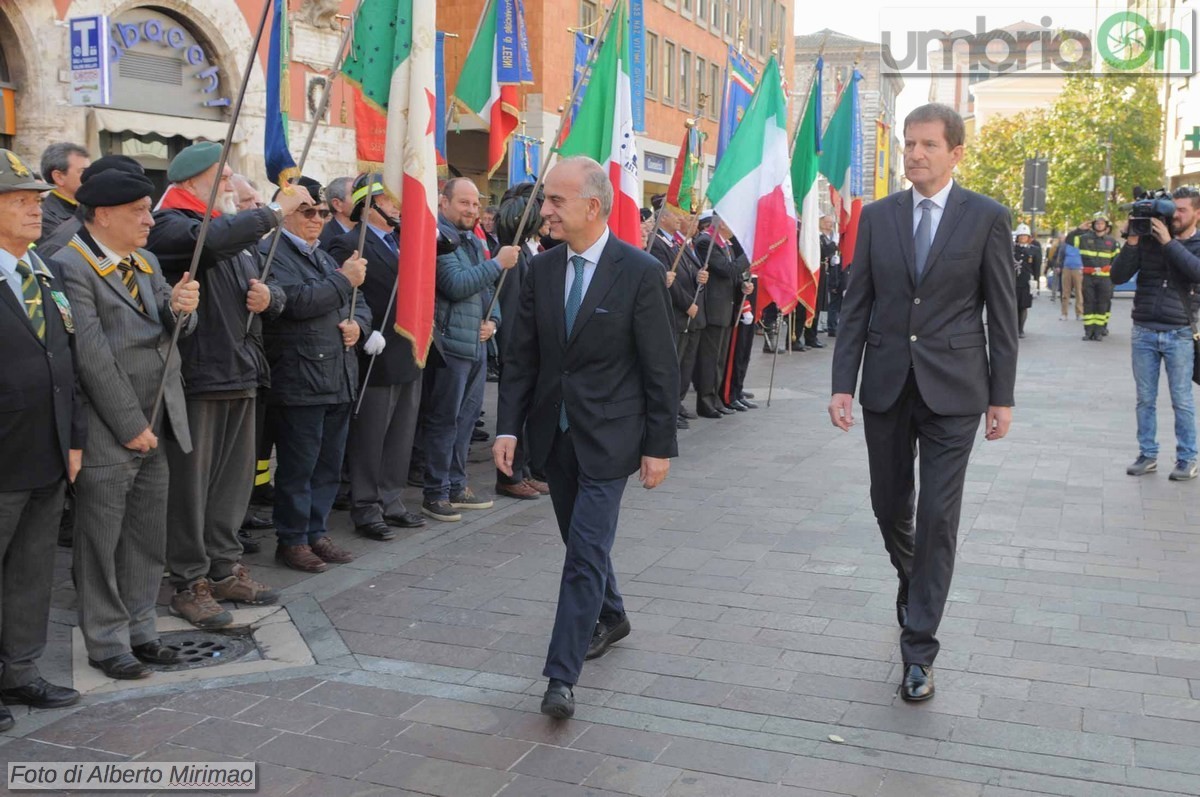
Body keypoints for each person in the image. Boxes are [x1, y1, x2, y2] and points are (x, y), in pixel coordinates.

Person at [828, 104, 1018, 702]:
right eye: (909, 144)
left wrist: (1002, 397)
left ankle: (919, 650)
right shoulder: (879, 217)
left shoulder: (986, 217)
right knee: (890, 508)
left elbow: (1002, 313)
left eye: (928, 145)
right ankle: (915, 582)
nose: (914, 154)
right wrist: (841, 383)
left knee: (938, 517)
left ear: (956, 152)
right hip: (886, 384)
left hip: (956, 390)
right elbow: (856, 305)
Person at [494, 156, 679, 719]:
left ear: (592, 207)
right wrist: (507, 427)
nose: (543, 211)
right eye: (545, 200)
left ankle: (560, 676)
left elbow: (660, 367)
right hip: (555, 437)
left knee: (582, 555)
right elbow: (522, 358)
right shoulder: (541, 271)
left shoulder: (639, 271)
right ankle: (613, 614)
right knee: (583, 543)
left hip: (611, 439)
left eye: (554, 201)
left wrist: (658, 445)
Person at [147, 142, 303, 629]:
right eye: (227, 176)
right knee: (191, 488)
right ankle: (188, 580)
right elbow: (210, 243)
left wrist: (264, 296)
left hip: (240, 371)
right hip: (200, 377)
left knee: (232, 486)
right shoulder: (173, 223)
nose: (236, 186)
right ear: (196, 183)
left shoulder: (224, 227)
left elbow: (252, 278)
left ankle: (221, 566)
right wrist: (278, 211)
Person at [53, 169, 200, 680]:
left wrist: (183, 309)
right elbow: (89, 355)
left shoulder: (146, 259)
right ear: (104, 215)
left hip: (159, 416)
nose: (149, 218)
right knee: (100, 539)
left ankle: (142, 629)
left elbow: (170, 326)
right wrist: (128, 423)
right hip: (109, 426)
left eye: (148, 207)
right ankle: (106, 640)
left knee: (144, 536)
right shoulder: (71, 265)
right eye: (138, 210)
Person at [0, 151, 85, 730]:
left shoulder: (43, 269)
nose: (35, 209)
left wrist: (74, 439)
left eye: (35, 199)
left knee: (32, 572)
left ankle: (20, 671)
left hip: (47, 450)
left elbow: (67, 359)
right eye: (19, 200)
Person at [262, 176, 369, 571]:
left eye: (323, 212)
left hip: (338, 375)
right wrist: (343, 280)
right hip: (300, 376)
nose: (317, 218)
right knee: (298, 467)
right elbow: (297, 302)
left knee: (327, 465)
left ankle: (315, 531)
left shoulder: (322, 256)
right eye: (306, 211)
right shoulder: (271, 252)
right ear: (284, 213)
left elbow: (359, 303)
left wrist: (360, 326)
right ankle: (291, 539)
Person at [330, 174, 428, 538]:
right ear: (368, 205)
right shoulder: (348, 243)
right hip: (375, 350)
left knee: (401, 433)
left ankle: (392, 498)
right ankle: (366, 505)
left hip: (408, 348)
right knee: (371, 435)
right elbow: (347, 293)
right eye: (389, 201)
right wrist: (364, 327)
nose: (397, 207)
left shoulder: (404, 240)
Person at [420, 178, 516, 521]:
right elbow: (456, 285)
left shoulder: (472, 241)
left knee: (463, 423)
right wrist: (498, 263)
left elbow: (489, 291)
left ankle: (458, 486)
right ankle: (435, 492)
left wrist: (495, 322)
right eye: (464, 203)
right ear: (443, 202)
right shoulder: (440, 239)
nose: (472, 210)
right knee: (444, 421)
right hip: (449, 347)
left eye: (476, 204)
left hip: (476, 346)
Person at [1113, 186, 1200, 482]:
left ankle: (1187, 458)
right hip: (1144, 330)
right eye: (1172, 209)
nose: (1174, 215)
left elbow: (1196, 272)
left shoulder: (1195, 243)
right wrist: (1133, 240)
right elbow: (1118, 276)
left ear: (1197, 214)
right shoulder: (1147, 240)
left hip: (1179, 332)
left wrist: (1168, 243)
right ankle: (1147, 454)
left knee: (1182, 400)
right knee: (1144, 398)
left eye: (1182, 210)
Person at [492, 182, 549, 500]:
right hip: (516, 348)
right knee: (513, 415)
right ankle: (508, 476)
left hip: (529, 347)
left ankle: (523, 470)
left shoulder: (529, 252)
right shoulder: (515, 255)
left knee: (527, 415)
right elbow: (514, 307)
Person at [692, 217, 740, 418]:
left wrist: (743, 285)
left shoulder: (724, 244)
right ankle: (705, 401)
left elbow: (733, 275)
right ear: (721, 223)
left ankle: (716, 398)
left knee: (720, 359)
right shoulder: (707, 242)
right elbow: (726, 269)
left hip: (725, 308)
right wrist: (749, 256)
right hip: (713, 309)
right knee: (708, 360)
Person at [1068, 214, 1120, 340]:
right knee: (1088, 303)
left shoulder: (1112, 242)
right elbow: (1069, 240)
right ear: (1093, 225)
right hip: (1088, 276)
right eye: (1097, 223)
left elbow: (1117, 260)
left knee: (1102, 304)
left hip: (1105, 278)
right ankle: (1088, 331)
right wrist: (1079, 229)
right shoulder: (1083, 238)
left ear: (1106, 226)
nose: (1099, 225)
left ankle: (1098, 331)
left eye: (1102, 223)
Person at [37, 142, 90, 244]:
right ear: (59, 177)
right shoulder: (45, 219)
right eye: (83, 171)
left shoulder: (89, 207)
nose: (91, 176)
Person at [1013, 223, 1042, 339]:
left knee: (1023, 306)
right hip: (1013, 281)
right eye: (1020, 236)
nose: (1022, 238)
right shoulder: (1012, 248)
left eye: (1025, 236)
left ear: (1029, 237)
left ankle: (1021, 329)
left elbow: (1037, 268)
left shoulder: (1035, 250)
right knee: (1013, 306)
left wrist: (1036, 283)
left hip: (1026, 282)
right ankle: (1014, 328)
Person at [319, 176, 355, 252]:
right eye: (355, 195)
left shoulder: (370, 235)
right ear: (337, 204)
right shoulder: (323, 239)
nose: (364, 200)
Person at [820, 215, 843, 337]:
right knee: (831, 302)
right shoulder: (821, 237)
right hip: (826, 271)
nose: (829, 224)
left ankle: (834, 324)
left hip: (836, 271)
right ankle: (831, 326)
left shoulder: (834, 236)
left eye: (831, 222)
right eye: (827, 222)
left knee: (836, 301)